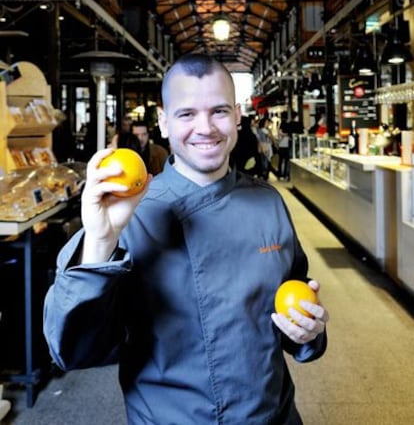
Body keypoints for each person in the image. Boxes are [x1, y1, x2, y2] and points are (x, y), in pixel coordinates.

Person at [43, 54, 328, 425]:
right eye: (187, 114)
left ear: (237, 115)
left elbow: (294, 309)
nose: (206, 127)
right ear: (163, 122)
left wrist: (308, 331)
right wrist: (99, 240)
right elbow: (74, 350)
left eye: (219, 111)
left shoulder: (268, 202)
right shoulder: (129, 213)